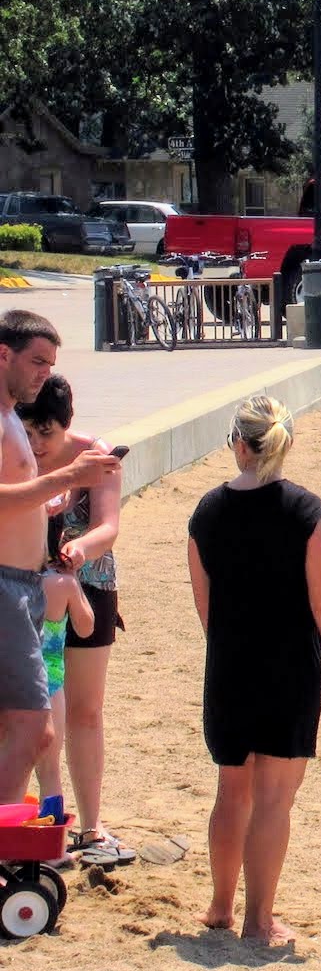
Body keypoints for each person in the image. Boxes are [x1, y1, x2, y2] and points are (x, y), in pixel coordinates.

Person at [187, 395, 321, 946]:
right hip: (289, 667)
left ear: (238, 444)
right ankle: (259, 921)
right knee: (274, 801)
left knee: (231, 790)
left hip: (231, 664)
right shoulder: (307, 512)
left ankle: (220, 906)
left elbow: (205, 608)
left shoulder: (206, 513)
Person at [0, 311, 117, 804]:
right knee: (34, 728)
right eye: (37, 362)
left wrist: (46, 502)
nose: (45, 373)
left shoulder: (9, 415)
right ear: (3, 355)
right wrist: (67, 480)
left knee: (32, 728)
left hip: (24, 587)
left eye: (51, 365)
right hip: (8, 586)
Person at [21, 374, 131, 866]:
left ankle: (91, 825)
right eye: (28, 431)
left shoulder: (95, 453)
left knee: (85, 710)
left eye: (47, 433)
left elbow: (108, 526)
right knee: (29, 713)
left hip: (87, 583)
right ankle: (36, 819)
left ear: (68, 426)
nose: (37, 444)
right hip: (27, 589)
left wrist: (77, 551)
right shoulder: (14, 451)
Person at [34, 566, 93, 820]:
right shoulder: (62, 583)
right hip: (50, 684)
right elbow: (86, 627)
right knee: (49, 771)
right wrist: (75, 580)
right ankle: (51, 847)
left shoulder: (11, 577)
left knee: (11, 768)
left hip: (13, 681)